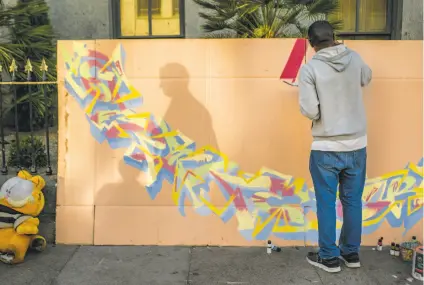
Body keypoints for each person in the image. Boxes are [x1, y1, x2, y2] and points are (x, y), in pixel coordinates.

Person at [298, 20, 372, 273]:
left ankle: (329, 258)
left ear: (311, 43)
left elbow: (309, 110)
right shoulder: (354, 57)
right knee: (353, 202)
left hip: (326, 148)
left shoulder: (310, 69)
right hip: (357, 146)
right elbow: (367, 77)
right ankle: (351, 254)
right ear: (334, 37)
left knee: (326, 203)